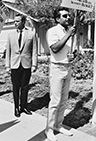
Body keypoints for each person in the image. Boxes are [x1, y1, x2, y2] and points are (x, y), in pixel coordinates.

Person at [45, 7, 76, 141]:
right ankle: (49, 129)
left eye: (68, 15)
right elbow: (55, 49)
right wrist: (68, 34)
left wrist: (73, 55)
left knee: (63, 100)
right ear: (57, 19)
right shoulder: (53, 31)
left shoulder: (67, 32)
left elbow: (68, 52)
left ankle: (58, 125)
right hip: (57, 68)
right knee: (55, 101)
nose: (68, 18)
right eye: (64, 16)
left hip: (67, 67)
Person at [5, 13, 38, 117]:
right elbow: (8, 51)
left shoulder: (31, 34)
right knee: (16, 87)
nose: (15, 23)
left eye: (17, 21)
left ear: (23, 22)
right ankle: (16, 107)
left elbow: (34, 51)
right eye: (15, 21)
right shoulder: (10, 35)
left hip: (26, 65)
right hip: (14, 65)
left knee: (24, 87)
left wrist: (34, 65)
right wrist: (7, 65)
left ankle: (23, 106)